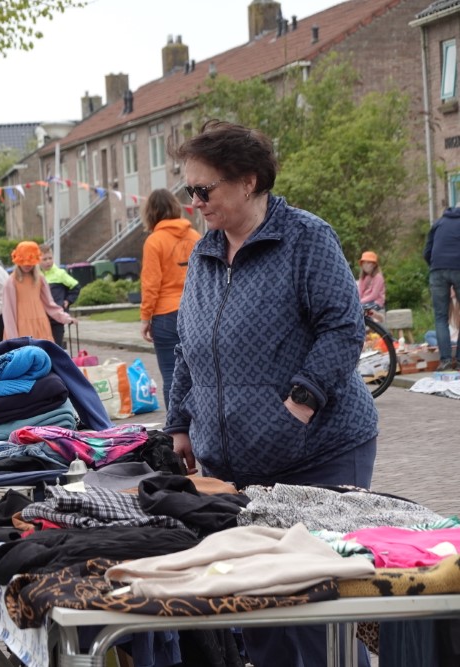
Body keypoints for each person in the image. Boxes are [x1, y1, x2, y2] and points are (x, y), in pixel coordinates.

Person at [168, 120, 378, 667]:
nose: (194, 203)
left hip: (320, 451)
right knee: (259, 608)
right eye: (188, 191)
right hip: (237, 464)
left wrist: (299, 405)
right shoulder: (205, 254)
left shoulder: (305, 238)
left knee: (312, 607)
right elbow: (191, 345)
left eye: (204, 190)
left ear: (248, 181)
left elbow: (343, 326)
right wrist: (180, 423)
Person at [138, 188, 200, 409]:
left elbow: (151, 284)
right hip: (197, 311)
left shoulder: (155, 241)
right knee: (199, 376)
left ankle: (176, 432)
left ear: (151, 213)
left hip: (166, 314)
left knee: (171, 375)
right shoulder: (195, 237)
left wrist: (146, 318)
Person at [1, 241, 76, 341]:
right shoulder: (11, 281)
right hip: (22, 325)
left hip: (40, 323)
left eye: (30, 262)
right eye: (24, 262)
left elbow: (49, 303)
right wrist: (12, 338)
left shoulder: (40, 279)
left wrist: (64, 317)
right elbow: (8, 312)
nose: (27, 265)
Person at [424, 206, 460, 370]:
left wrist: (435, 266)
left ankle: (445, 361)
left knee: (440, 317)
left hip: (437, 269)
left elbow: (427, 251)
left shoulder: (439, 223)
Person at [38, 244, 80, 347]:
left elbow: (76, 286)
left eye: (50, 258)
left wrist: (68, 300)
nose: (48, 261)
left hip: (57, 316)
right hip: (42, 316)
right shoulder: (37, 275)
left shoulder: (60, 273)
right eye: (44, 259)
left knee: (56, 344)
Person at [356, 250, 386, 314]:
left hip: (376, 303)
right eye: (364, 263)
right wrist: (357, 301)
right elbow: (360, 292)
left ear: (374, 265)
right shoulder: (363, 277)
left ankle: (374, 322)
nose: (365, 265)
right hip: (364, 302)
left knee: (361, 310)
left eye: (368, 263)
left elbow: (374, 295)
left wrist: (360, 302)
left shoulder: (378, 277)